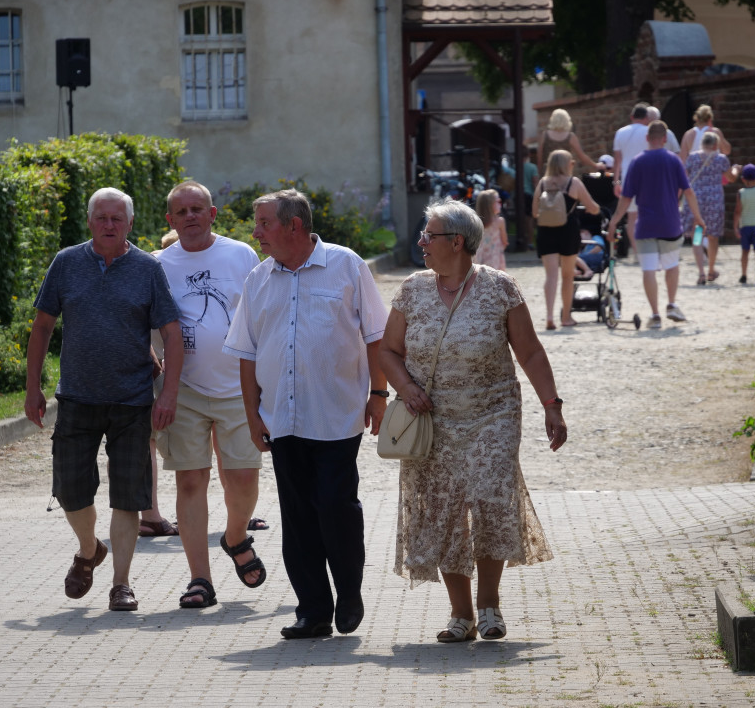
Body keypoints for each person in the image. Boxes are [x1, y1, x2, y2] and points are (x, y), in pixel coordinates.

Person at [378, 199, 563, 643]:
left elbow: (531, 351)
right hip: (432, 420)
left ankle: (489, 606)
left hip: (492, 414)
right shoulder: (412, 289)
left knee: (488, 498)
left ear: (456, 242)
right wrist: (404, 387)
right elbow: (387, 350)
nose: (421, 241)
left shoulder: (500, 288)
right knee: (442, 511)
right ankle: (460, 614)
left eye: (429, 235)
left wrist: (551, 404)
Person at [223, 189, 389, 640]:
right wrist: (253, 414)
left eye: (262, 223)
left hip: (336, 414)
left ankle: (348, 592)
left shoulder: (346, 265)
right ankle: (313, 610)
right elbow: (246, 352)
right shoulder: (258, 279)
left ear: (292, 225)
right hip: (282, 417)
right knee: (297, 517)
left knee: (336, 508)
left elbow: (376, 334)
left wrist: (379, 392)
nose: (256, 232)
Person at [25, 187, 183, 612]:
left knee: (128, 496)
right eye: (101, 217)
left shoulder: (147, 269)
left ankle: (121, 584)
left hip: (132, 402)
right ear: (89, 221)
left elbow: (171, 333)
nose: (109, 225)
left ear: (130, 223)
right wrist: (32, 387)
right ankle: (89, 548)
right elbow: (41, 328)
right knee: (71, 491)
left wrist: (167, 393)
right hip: (76, 397)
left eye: (117, 218)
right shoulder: (66, 263)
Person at [156, 180, 265, 609]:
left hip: (239, 388)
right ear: (170, 220)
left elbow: (260, 316)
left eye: (197, 209)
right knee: (190, 480)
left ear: (213, 213)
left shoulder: (241, 254)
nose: (190, 217)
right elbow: (145, 323)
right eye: (181, 212)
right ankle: (199, 579)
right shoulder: (158, 264)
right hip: (183, 389)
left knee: (243, 479)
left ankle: (235, 535)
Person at [607, 121, 706, 329]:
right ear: (664, 139)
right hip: (670, 223)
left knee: (648, 269)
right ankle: (671, 304)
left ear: (647, 138)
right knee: (672, 265)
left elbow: (626, 198)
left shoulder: (637, 161)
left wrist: (614, 222)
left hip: (645, 226)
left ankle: (655, 314)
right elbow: (688, 191)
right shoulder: (674, 160)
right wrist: (698, 217)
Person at [140, 229, 182, 538]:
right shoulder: (157, 268)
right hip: (154, 369)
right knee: (149, 442)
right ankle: (150, 516)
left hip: (152, 367)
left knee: (148, 443)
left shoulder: (149, 266)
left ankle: (150, 514)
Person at [533, 150, 602, 330]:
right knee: (567, 276)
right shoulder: (574, 183)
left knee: (551, 276)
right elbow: (593, 207)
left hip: (545, 231)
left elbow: (534, 212)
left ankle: (549, 316)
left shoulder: (542, 184)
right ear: (567, 164)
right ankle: (566, 317)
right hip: (568, 231)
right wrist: (594, 210)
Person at [683, 131, 735, 285]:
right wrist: (737, 171)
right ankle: (711, 270)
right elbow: (730, 178)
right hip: (714, 201)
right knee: (713, 237)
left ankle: (701, 272)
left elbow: (684, 178)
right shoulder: (721, 159)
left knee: (697, 236)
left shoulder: (692, 157)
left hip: (697, 201)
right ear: (714, 144)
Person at [613, 103, 652, 252]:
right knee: (647, 214)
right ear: (646, 118)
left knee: (631, 217)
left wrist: (616, 182)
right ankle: (647, 248)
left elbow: (617, 161)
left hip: (627, 176)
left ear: (631, 117)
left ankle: (637, 251)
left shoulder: (620, 132)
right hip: (646, 175)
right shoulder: (648, 131)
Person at [473, 189, 507, 270]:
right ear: (490, 205)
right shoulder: (499, 222)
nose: (500, 203)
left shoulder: (475, 222)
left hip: (478, 259)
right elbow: (504, 242)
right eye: (498, 201)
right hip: (495, 259)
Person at [519, 147, 539, 250]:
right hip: (529, 194)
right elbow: (535, 182)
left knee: (521, 219)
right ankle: (530, 242)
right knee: (530, 220)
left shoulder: (516, 166)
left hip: (518, 194)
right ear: (528, 155)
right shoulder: (532, 167)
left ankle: (523, 240)